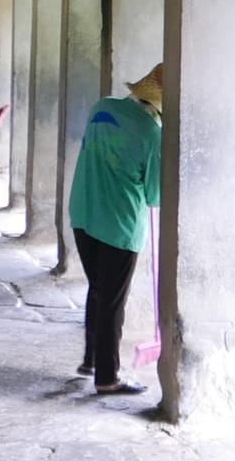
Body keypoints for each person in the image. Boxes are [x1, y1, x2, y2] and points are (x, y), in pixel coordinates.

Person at [66, 65, 163, 397]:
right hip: (119, 226)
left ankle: (91, 359)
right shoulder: (152, 135)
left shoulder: (101, 107)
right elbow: (155, 196)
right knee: (112, 302)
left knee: (98, 290)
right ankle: (108, 377)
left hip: (82, 211)